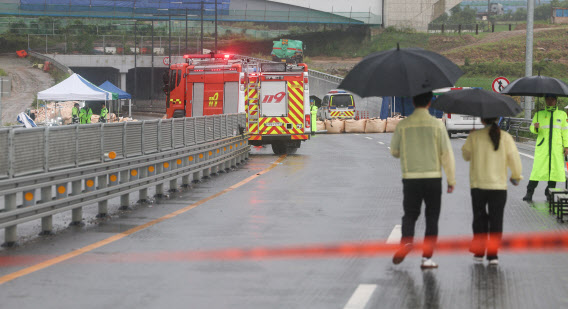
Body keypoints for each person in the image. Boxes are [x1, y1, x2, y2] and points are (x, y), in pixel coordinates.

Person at [390, 91, 456, 269]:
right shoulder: (437, 125)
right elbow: (446, 153)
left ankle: (406, 242)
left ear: (413, 101)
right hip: (433, 178)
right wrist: (451, 179)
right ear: (429, 103)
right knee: (432, 217)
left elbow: (394, 152)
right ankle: (427, 258)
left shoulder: (403, 125)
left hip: (410, 178)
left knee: (410, 214)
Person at [462, 118, 522, 265]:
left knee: (479, 218)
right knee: (496, 220)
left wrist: (470, 136)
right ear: (497, 119)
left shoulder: (475, 136)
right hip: (499, 187)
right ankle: (493, 255)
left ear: (482, 120)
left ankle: (479, 252)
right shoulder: (505, 137)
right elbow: (514, 158)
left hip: (478, 185)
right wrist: (516, 176)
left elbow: (466, 156)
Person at [522, 94, 568, 202]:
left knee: (553, 172)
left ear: (556, 101)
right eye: (548, 99)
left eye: (552, 99)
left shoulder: (562, 115)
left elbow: (566, 132)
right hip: (542, 148)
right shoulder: (539, 114)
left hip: (556, 149)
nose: (550, 101)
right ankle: (529, 192)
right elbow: (532, 129)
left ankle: (549, 193)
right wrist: (535, 127)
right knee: (537, 171)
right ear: (545, 100)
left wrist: (566, 146)